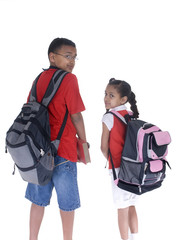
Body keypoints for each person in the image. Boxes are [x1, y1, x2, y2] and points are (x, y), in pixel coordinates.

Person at [25, 38, 88, 240]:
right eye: (68, 56)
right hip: (64, 151)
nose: (72, 61)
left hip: (38, 153)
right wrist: (84, 144)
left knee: (38, 201)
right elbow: (76, 115)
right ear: (52, 56)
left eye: (75, 57)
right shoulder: (70, 79)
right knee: (67, 205)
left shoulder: (39, 78)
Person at [101, 78, 139, 240]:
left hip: (118, 169)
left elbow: (103, 147)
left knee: (121, 209)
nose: (106, 98)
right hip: (134, 168)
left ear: (123, 99)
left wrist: (111, 160)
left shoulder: (109, 117)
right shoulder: (131, 115)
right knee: (131, 206)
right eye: (105, 94)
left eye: (111, 95)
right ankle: (135, 237)